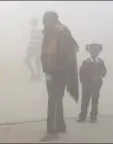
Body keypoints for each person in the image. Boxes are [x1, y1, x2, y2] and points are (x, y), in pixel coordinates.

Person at [40, 11, 79, 142]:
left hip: (57, 71)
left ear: (51, 20)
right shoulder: (61, 31)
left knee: (53, 101)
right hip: (60, 71)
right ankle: (61, 125)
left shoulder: (57, 32)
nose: (43, 22)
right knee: (57, 99)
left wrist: (51, 72)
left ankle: (51, 131)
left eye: (45, 20)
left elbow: (63, 54)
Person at [77, 43, 107, 123]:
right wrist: (83, 82)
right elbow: (81, 73)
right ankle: (82, 116)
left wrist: (100, 77)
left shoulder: (101, 62)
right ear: (90, 52)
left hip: (96, 85)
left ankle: (93, 117)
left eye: (96, 52)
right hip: (87, 85)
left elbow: (104, 71)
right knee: (85, 101)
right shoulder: (86, 62)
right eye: (93, 52)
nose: (94, 53)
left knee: (95, 101)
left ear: (98, 52)